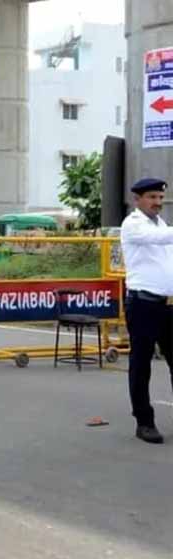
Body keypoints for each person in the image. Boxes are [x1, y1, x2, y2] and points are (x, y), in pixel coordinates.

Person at [120, 177, 173, 444]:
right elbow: (159, 238)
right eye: (152, 197)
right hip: (142, 303)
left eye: (160, 198)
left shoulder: (161, 224)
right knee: (141, 364)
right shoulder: (133, 225)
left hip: (167, 304)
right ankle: (144, 422)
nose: (157, 202)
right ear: (137, 199)